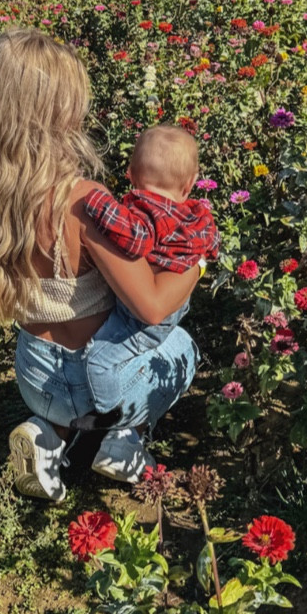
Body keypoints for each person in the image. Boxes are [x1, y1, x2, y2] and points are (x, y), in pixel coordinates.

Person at [0, 30, 201, 502]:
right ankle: (122, 435)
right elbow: (153, 307)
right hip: (100, 381)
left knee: (62, 396)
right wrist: (197, 257)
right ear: (58, 111)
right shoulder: (82, 202)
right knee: (180, 347)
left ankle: (48, 436)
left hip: (35, 374)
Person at [82, 125, 218, 413]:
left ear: (130, 174)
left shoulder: (146, 215)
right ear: (190, 183)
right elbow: (211, 240)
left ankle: (109, 417)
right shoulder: (196, 213)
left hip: (141, 317)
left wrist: (95, 203)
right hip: (176, 301)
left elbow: (135, 241)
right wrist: (201, 260)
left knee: (99, 359)